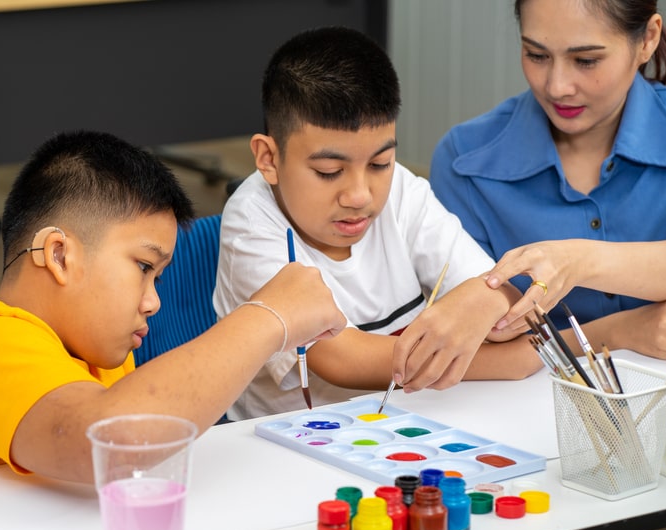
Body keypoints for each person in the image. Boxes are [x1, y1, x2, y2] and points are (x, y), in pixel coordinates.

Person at [0, 130, 345, 491]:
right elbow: (109, 443)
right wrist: (267, 317)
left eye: (159, 277)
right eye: (144, 267)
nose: (153, 300)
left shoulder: (99, 361)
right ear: (60, 255)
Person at [212, 26, 541, 421]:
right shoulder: (252, 220)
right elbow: (343, 360)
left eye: (379, 163)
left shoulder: (401, 189)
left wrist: (489, 300)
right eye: (329, 170)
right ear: (268, 158)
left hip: (408, 420)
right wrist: (513, 359)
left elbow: (503, 300)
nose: (360, 195)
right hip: (291, 438)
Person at [430, 0, 666, 360]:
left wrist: (577, 261)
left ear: (647, 39)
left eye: (586, 60)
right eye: (536, 55)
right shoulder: (464, 161)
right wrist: (618, 333)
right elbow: (476, 338)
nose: (557, 86)